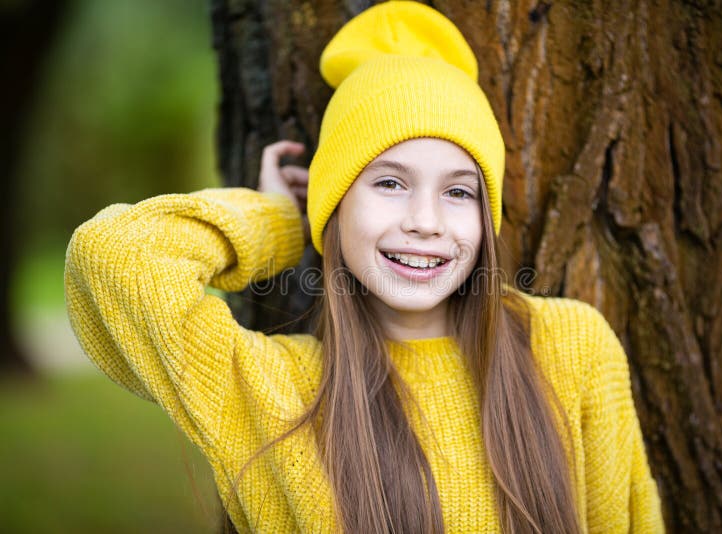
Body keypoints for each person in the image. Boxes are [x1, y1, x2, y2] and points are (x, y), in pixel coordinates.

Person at [65, 1, 664, 532]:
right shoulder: (277, 393)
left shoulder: (571, 350)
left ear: (487, 220)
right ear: (335, 205)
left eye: (459, 192)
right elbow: (113, 255)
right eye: (389, 182)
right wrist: (279, 220)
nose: (425, 220)